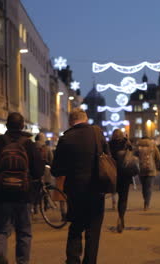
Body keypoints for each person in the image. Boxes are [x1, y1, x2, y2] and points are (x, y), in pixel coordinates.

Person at [0, 112, 44, 264]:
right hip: (23, 195)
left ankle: (0, 254)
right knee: (24, 232)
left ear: (6, 125)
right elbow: (38, 171)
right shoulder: (29, 145)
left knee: (1, 230)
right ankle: (22, 261)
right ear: (22, 126)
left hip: (1, 194)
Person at [51, 108, 108, 264]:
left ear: (71, 121)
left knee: (76, 227)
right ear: (86, 119)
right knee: (93, 231)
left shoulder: (66, 139)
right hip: (96, 189)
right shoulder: (97, 134)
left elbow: (56, 170)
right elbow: (107, 158)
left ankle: (73, 260)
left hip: (75, 191)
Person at [109, 129, 133, 233]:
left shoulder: (109, 144)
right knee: (123, 198)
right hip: (125, 175)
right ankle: (121, 217)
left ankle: (113, 203)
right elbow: (131, 155)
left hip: (113, 174)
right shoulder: (126, 143)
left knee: (113, 192)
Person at [136, 136, 160, 211]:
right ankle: (147, 204)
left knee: (144, 187)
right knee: (149, 187)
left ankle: (145, 199)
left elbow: (134, 157)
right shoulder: (153, 146)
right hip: (151, 170)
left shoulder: (138, 146)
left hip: (141, 170)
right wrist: (155, 163)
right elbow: (159, 157)